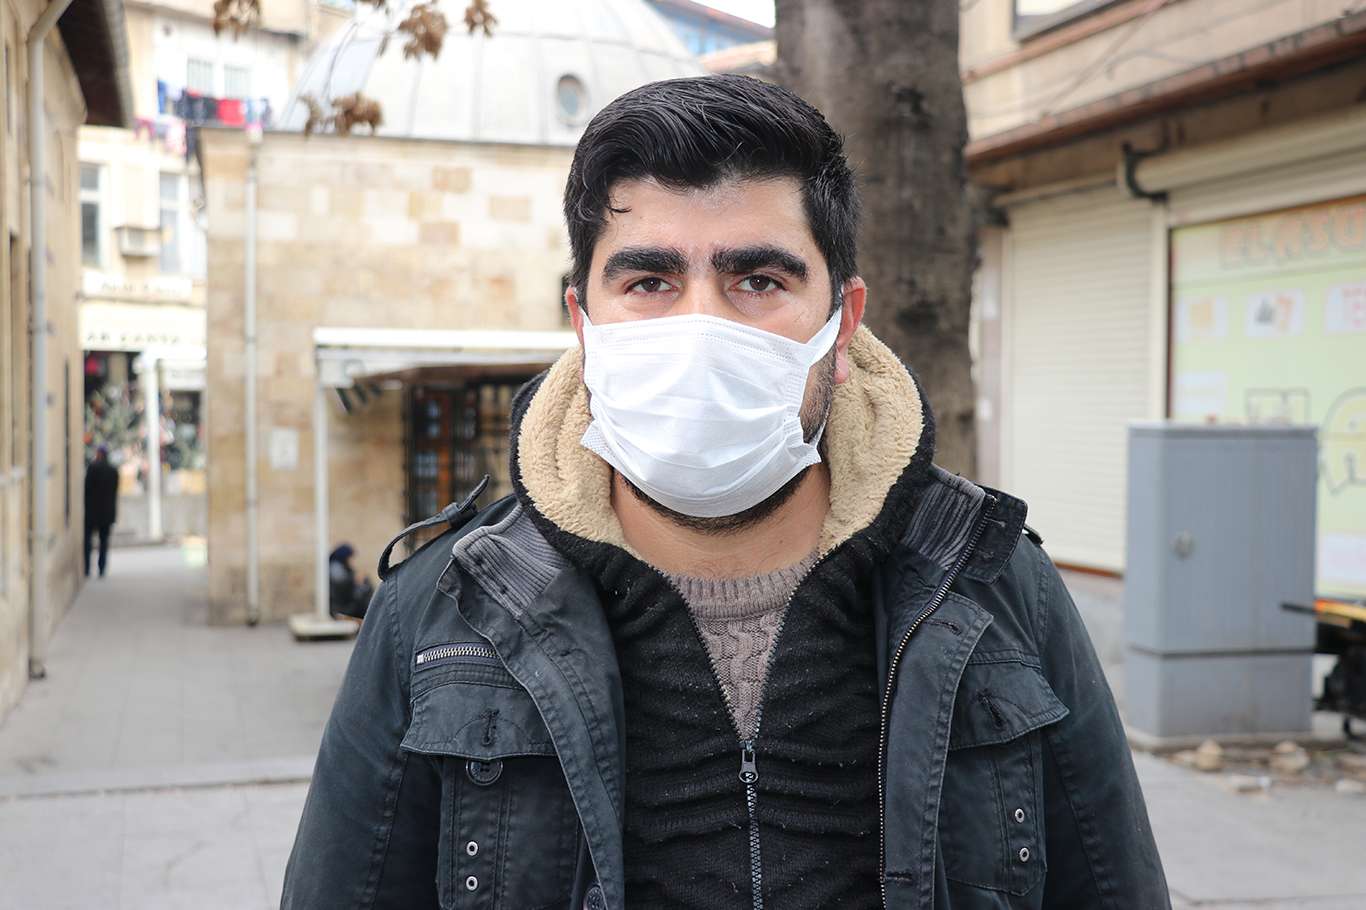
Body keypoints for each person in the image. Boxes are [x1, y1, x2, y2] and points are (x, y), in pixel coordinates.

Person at [282, 75, 1169, 909]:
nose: (700, 327)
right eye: (649, 281)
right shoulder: (439, 616)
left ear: (842, 323)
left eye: (759, 280)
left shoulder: (994, 590)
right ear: (584, 325)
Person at [83, 445, 119, 578]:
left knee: (88, 541)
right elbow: (114, 492)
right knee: (103, 542)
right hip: (107, 513)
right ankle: (101, 568)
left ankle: (87, 568)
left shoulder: (92, 468)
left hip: (92, 512)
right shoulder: (113, 471)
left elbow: (86, 489)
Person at [327, 543, 373, 620]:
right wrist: (355, 579)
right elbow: (341, 583)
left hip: (346, 604)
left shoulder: (344, 567)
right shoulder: (335, 566)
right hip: (340, 607)